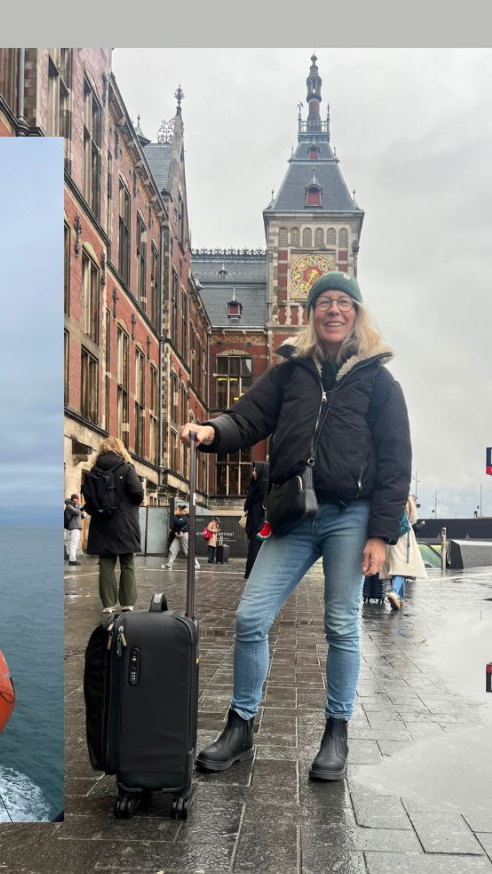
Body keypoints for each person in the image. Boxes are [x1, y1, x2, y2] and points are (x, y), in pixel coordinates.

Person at [188, 271, 411, 781]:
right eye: (323, 303)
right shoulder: (291, 373)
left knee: (341, 625)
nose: (333, 311)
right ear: (311, 314)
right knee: (250, 618)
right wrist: (210, 430)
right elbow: (246, 418)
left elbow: (397, 462)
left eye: (343, 303)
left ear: (357, 313)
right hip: (293, 512)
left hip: (350, 515)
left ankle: (336, 732)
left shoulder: (379, 383)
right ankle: (240, 725)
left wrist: (380, 533)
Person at [84, 437, 144, 614]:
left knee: (106, 563)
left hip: (102, 522)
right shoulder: (126, 467)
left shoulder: (94, 470)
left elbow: (89, 495)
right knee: (127, 562)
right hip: (124, 522)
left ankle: (108, 604)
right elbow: (137, 492)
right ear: (121, 449)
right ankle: (127, 603)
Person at [382, 494, 427, 609]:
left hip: (388, 533)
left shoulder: (385, 495)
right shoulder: (406, 496)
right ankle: (395, 592)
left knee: (394, 566)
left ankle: (399, 599)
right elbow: (413, 518)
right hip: (403, 536)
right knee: (402, 566)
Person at [243, 461, 269, 580]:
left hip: (260, 526)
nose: (253, 472)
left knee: (256, 552)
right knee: (253, 551)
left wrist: (260, 527)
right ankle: (253, 575)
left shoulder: (265, 486)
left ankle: (256, 576)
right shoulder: (256, 485)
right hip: (254, 525)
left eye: (255, 470)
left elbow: (267, 508)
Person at [162, 505, 200, 571]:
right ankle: (169, 564)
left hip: (184, 534)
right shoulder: (178, 516)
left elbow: (178, 523)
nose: (175, 511)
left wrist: (173, 515)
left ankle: (196, 564)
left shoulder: (185, 517)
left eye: (176, 510)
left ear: (180, 510)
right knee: (173, 549)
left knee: (187, 550)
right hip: (178, 534)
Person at [64, 493, 86, 566]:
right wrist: (79, 505)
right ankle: (72, 560)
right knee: (73, 544)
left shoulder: (74, 506)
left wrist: (82, 516)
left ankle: (72, 559)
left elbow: (78, 515)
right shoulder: (69, 506)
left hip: (76, 527)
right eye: (76, 499)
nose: (77, 500)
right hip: (74, 527)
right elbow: (77, 512)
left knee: (74, 544)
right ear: (73, 499)